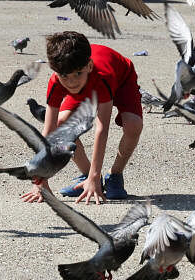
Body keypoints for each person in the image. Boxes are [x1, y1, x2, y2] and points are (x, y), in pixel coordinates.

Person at [21, 31, 143, 205]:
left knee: (133, 125)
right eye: (65, 76)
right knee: (62, 124)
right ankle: (87, 176)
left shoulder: (102, 78)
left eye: (77, 73)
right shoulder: (58, 81)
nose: (71, 82)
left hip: (120, 79)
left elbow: (101, 129)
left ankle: (115, 175)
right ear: (55, 71)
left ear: (89, 65)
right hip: (87, 84)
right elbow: (48, 131)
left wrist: (96, 173)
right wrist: (40, 181)